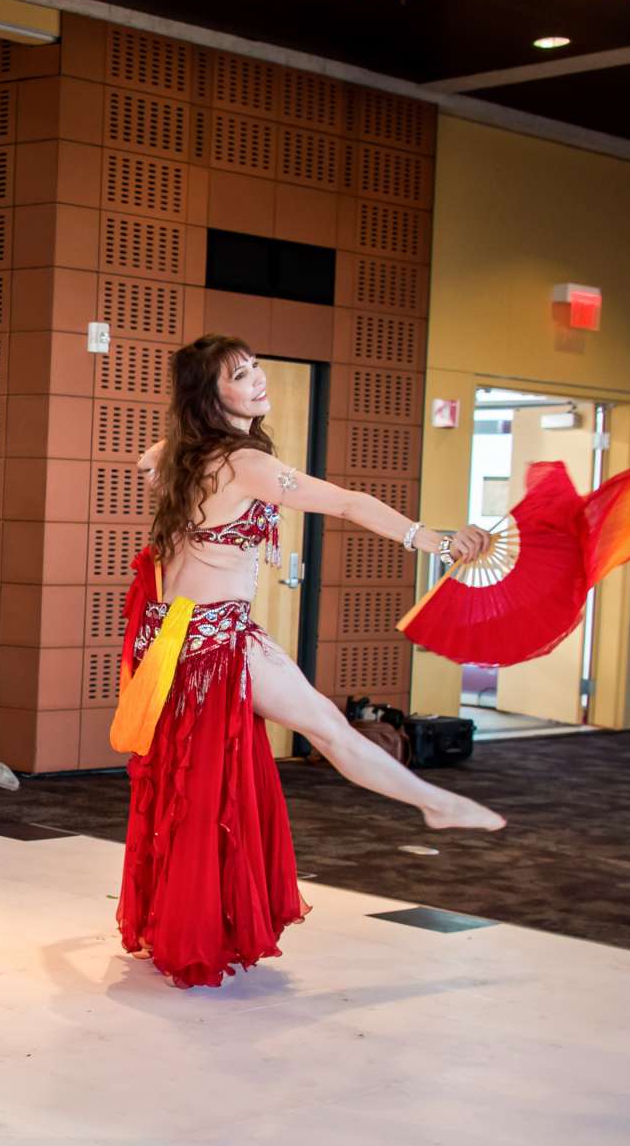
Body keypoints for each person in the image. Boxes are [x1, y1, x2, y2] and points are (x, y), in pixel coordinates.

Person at [120, 333, 504, 989]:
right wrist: (433, 540)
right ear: (213, 396)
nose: (258, 380)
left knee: (199, 782)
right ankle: (431, 802)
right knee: (321, 729)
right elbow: (349, 503)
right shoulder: (244, 463)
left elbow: (144, 462)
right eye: (241, 375)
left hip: (174, 639)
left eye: (256, 368)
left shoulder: (182, 455)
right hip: (214, 644)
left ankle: (427, 801)